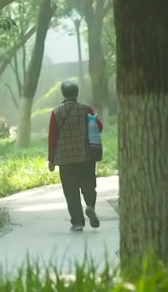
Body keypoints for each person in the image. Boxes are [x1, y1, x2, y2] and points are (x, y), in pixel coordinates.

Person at [46, 79, 103, 232]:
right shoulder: (86, 109)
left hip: (66, 160)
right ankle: (90, 206)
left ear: (63, 93)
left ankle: (77, 222)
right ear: (76, 93)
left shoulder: (56, 113)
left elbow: (52, 137)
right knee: (89, 185)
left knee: (71, 191)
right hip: (86, 156)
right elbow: (99, 127)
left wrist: (51, 159)